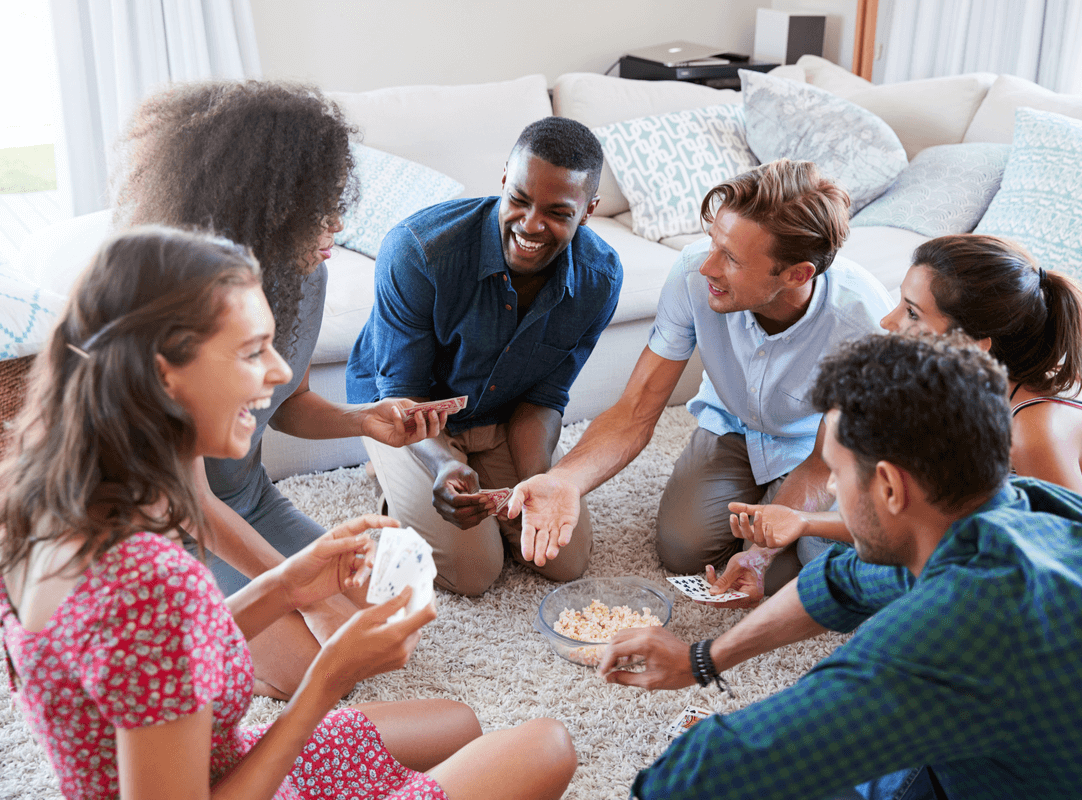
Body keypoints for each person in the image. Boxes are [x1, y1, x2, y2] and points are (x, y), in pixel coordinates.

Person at [0, 227, 577, 800]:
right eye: (253, 351)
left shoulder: (44, 503)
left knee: (457, 723)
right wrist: (327, 682)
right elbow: (159, 629)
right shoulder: (150, 580)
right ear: (164, 373)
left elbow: (157, 656)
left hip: (213, 761)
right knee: (547, 746)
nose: (279, 374)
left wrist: (289, 584)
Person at [598, 333, 1082, 800]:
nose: (829, 489)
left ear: (888, 486)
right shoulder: (1038, 509)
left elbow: (711, 769)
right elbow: (841, 581)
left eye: (835, 473)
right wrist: (702, 659)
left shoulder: (952, 634)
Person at [112, 80, 449, 698]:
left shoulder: (303, 275)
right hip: (174, 528)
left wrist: (364, 419)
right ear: (261, 209)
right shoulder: (174, 317)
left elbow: (286, 401)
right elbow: (188, 501)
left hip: (250, 500)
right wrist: (303, 592)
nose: (337, 223)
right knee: (313, 668)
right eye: (316, 207)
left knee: (393, 604)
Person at [509, 160, 892, 595]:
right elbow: (635, 410)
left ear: (796, 274)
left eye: (731, 257)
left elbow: (823, 462)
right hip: (730, 425)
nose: (707, 266)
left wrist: (759, 554)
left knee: (813, 564)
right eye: (714, 242)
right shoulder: (694, 272)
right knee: (682, 549)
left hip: (811, 449)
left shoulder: (863, 323)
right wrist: (565, 480)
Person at [731, 234, 1082, 584]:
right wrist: (797, 526)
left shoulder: (1036, 430)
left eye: (911, 312)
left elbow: (1074, 569)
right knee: (834, 556)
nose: (888, 322)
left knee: (868, 574)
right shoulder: (965, 385)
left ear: (971, 344)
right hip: (1023, 550)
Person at [345, 116, 622, 596]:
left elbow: (545, 396)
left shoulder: (599, 279)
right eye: (518, 199)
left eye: (557, 212)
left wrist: (541, 482)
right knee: (475, 573)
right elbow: (402, 396)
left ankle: (449, 491)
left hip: (502, 411)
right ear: (503, 181)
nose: (531, 225)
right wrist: (444, 464)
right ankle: (393, 482)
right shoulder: (418, 251)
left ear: (589, 210)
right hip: (406, 414)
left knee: (564, 560)